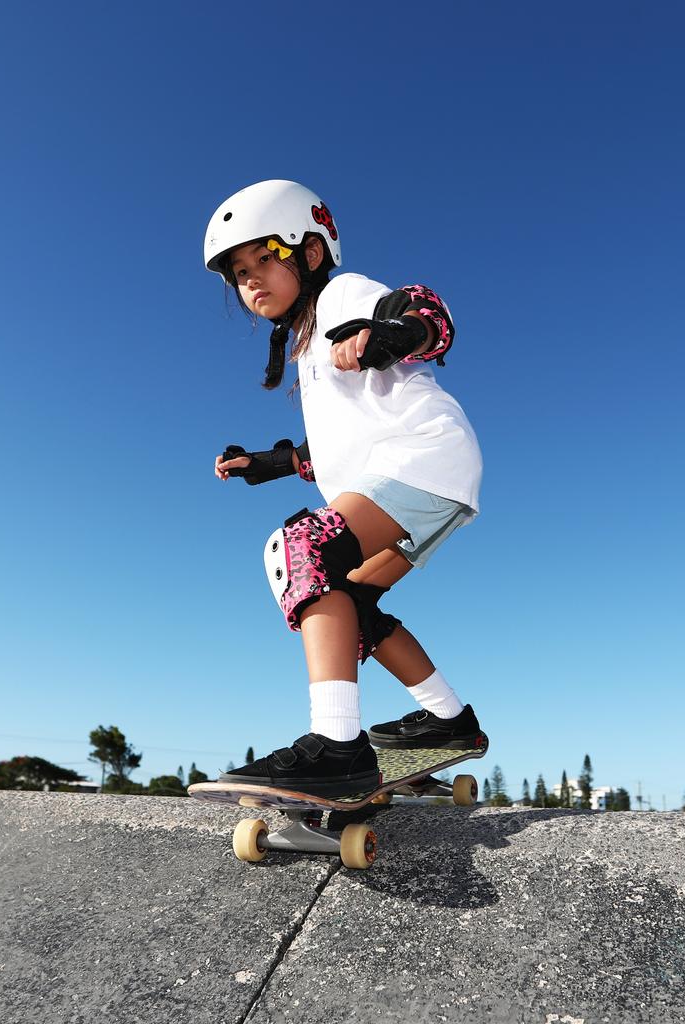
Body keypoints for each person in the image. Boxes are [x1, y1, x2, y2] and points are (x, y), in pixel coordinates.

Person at [204, 179, 484, 797]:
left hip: (421, 461)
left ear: (308, 252)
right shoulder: (308, 347)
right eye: (239, 274)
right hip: (424, 478)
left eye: (263, 261)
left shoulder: (343, 295)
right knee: (351, 604)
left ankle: (336, 746)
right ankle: (449, 721)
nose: (252, 281)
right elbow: (331, 450)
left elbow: (426, 311)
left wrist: (392, 335)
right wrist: (267, 464)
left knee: (301, 550)